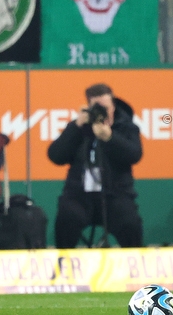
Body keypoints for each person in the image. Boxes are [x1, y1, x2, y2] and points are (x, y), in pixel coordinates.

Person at [47, 83, 144, 249]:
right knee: (66, 217)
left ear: (113, 106)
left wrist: (111, 138)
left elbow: (135, 154)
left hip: (116, 195)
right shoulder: (79, 128)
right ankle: (64, 265)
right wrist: (77, 127)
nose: (102, 112)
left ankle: (135, 267)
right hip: (80, 195)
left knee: (130, 223)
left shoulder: (126, 127)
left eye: (106, 107)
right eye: (97, 108)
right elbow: (55, 155)